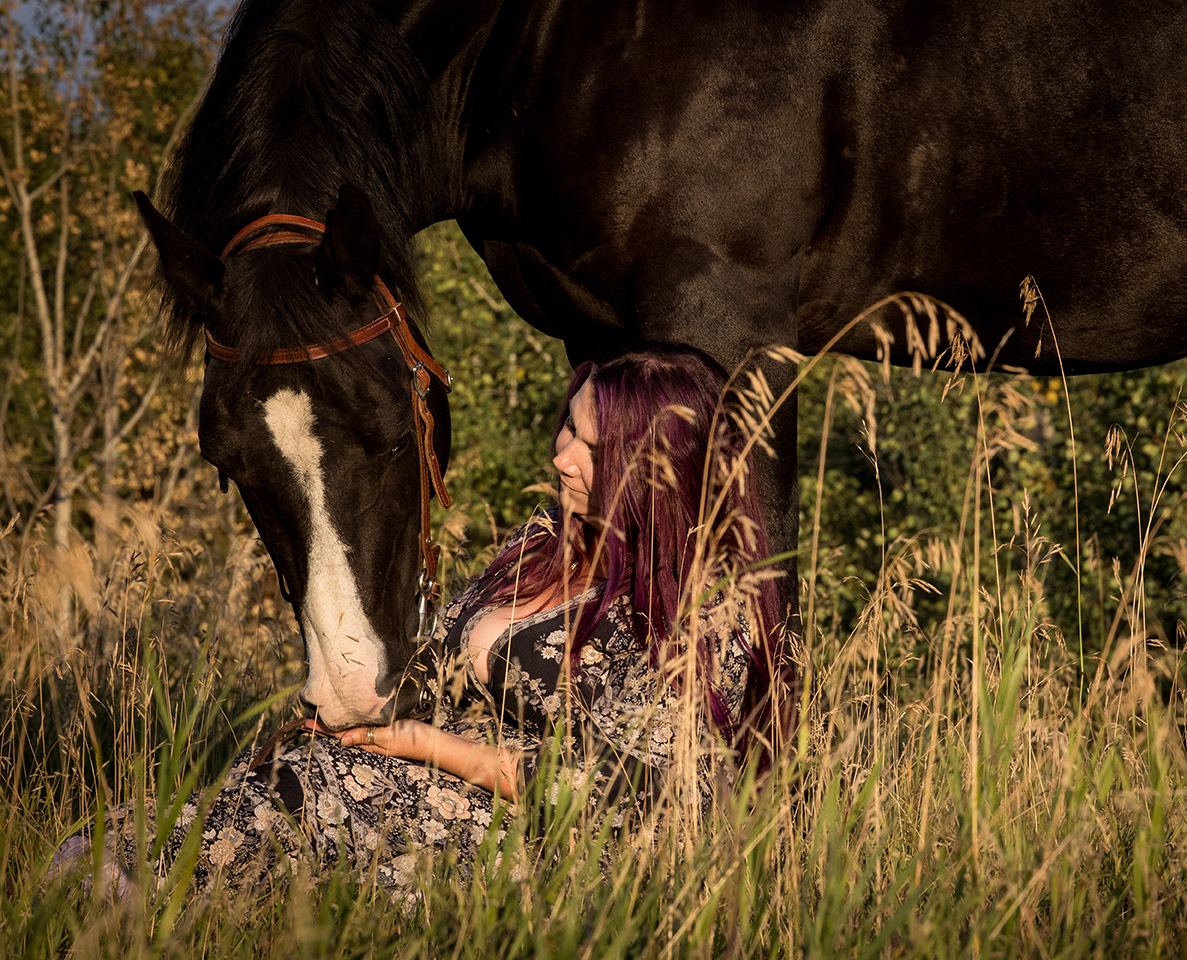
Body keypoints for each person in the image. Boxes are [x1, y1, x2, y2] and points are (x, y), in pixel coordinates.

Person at [52, 343, 791, 896]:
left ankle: (122, 915)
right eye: (567, 425)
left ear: (652, 469)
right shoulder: (543, 543)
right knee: (170, 811)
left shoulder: (700, 605)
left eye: (592, 449)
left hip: (533, 834)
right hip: (421, 776)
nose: (562, 456)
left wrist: (428, 747)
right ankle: (91, 903)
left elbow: (648, 797)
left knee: (299, 802)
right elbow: (433, 669)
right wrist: (369, 713)